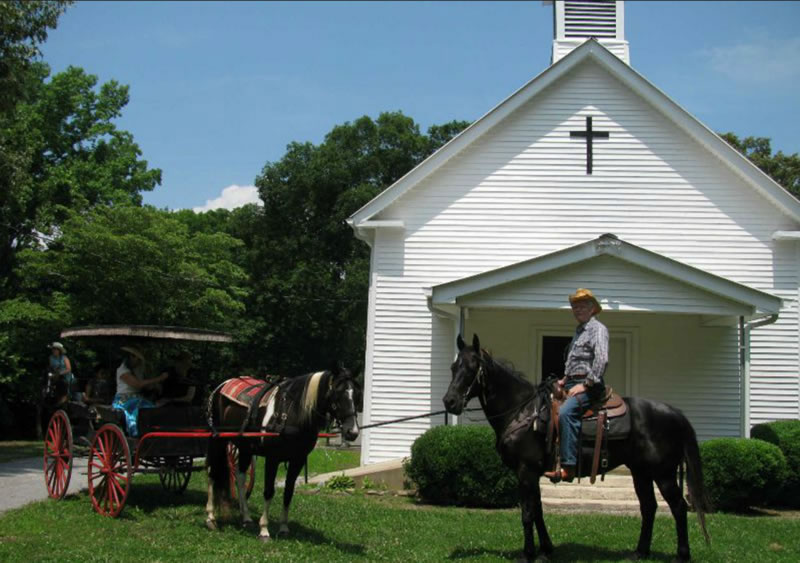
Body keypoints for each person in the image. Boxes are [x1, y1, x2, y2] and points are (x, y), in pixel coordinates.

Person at [544, 288, 608, 483]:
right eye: (575, 306)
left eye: (581, 306)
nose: (577, 310)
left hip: (590, 385)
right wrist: (564, 379)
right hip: (572, 381)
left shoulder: (598, 329)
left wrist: (586, 385)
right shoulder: (579, 332)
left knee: (566, 413)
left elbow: (602, 359)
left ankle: (568, 466)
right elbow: (576, 362)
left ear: (592, 309)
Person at [111, 346, 168, 436]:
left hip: (137, 398)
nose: (138, 362)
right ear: (131, 357)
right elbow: (137, 384)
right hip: (124, 400)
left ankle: (152, 432)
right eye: (137, 359)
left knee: (152, 409)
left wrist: (154, 386)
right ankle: (136, 433)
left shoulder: (137, 370)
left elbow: (143, 386)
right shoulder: (122, 370)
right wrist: (159, 378)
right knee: (136, 413)